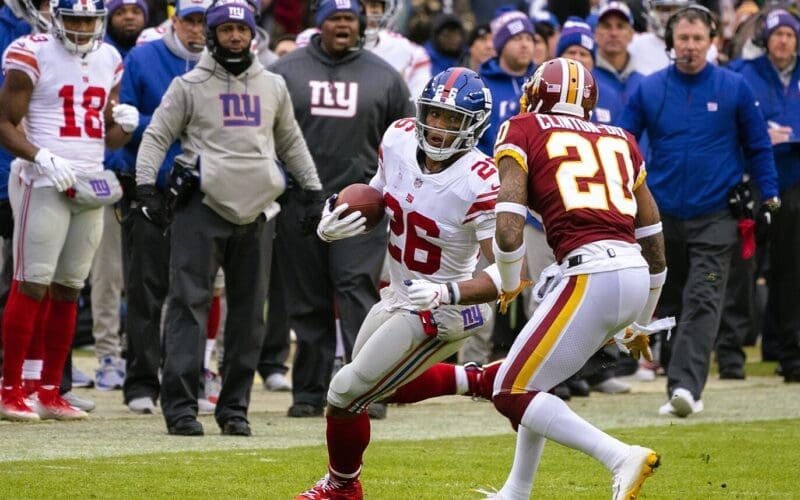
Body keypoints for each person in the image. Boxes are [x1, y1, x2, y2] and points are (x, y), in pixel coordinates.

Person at [296, 67, 501, 500]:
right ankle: (478, 380)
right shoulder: (399, 138)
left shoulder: (481, 180)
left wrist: (448, 292)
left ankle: (342, 487)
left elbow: (506, 274)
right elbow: (379, 195)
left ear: (475, 126)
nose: (439, 127)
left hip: (447, 305)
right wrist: (341, 215)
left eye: (452, 119)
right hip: (401, 291)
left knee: (347, 390)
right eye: (434, 113)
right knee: (377, 382)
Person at [135, 0, 321, 436]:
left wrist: (313, 190)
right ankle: (180, 408)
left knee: (248, 315)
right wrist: (146, 186)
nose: (235, 37)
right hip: (201, 207)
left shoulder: (272, 85)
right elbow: (156, 136)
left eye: (242, 29)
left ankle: (234, 408)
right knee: (187, 307)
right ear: (212, 35)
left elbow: (291, 141)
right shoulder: (188, 85)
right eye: (226, 30)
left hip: (257, 210)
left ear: (254, 34)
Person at [487, 57, 665, 499]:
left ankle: (619, 455)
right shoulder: (622, 137)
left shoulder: (523, 127)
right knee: (536, 384)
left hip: (589, 272)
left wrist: (509, 280)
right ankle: (517, 490)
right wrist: (641, 320)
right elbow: (654, 238)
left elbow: (508, 229)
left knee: (509, 391)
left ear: (537, 94)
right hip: (631, 271)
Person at [620, 5, 779, 417]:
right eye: (683, 39)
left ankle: (686, 387)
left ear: (712, 42)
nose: (690, 47)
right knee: (670, 302)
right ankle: (679, 378)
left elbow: (759, 146)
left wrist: (770, 195)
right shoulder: (649, 89)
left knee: (704, 298)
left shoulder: (735, 87)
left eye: (697, 39)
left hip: (716, 216)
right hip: (660, 218)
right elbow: (621, 144)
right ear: (671, 41)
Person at [268, 0, 412, 419]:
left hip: (362, 207)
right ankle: (310, 392)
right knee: (307, 299)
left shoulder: (385, 76)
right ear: (319, 24)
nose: (344, 25)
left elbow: (405, 141)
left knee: (356, 292)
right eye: (335, 18)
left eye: (350, 18)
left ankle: (368, 387)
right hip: (300, 203)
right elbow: (267, 134)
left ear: (361, 25)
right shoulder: (285, 71)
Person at [0, 0, 137, 421]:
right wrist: (40, 156)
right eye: (73, 18)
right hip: (42, 179)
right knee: (31, 282)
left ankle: (49, 389)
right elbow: (4, 122)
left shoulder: (111, 57)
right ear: (56, 18)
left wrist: (124, 128)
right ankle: (10, 389)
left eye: (89, 20)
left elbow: (106, 137)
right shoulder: (31, 50)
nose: (81, 27)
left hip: (89, 181)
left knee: (69, 286)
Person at [117, 0, 211, 415]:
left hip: (206, 193)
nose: (198, 30)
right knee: (145, 290)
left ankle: (188, 380)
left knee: (193, 295)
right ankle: (140, 381)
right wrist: (162, 122)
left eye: (205, 23)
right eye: (191, 21)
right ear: (174, 21)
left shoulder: (225, 65)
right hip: (153, 188)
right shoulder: (142, 57)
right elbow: (122, 117)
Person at [731, 9, 800, 383]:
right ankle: (732, 352)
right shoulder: (745, 73)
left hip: (794, 179)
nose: (783, 41)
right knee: (743, 267)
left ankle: (787, 348)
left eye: (790, 35)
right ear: (765, 40)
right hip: (754, 177)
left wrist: (791, 137)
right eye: (777, 35)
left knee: (790, 268)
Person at [90, 0, 148, 392]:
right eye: (121, 9)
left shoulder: (149, 55)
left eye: (136, 10)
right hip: (108, 174)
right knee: (107, 273)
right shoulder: (95, 55)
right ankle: (107, 354)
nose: (129, 16)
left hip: (149, 177)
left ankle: (139, 352)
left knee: (146, 276)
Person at [477, 10, 536, 155]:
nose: (524, 44)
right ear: (501, 45)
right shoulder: (481, 86)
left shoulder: (542, 82)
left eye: (529, 39)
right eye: (517, 38)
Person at [363, 0, 432, 99]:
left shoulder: (412, 53)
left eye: (374, 5)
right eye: (360, 5)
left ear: (387, 9)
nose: (367, 12)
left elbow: (417, 109)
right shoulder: (334, 49)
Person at [630, 0, 719, 75]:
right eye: (663, 9)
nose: (669, 16)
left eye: (675, 10)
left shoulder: (706, 48)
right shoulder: (636, 44)